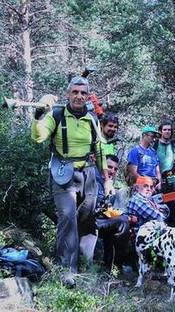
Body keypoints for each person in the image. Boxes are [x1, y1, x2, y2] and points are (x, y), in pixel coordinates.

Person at [31, 76, 109, 287]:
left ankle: (85, 263)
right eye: (75, 92)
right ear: (68, 94)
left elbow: (100, 148)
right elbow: (38, 136)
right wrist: (39, 114)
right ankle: (67, 270)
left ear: (87, 96)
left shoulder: (91, 118)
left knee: (86, 218)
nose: (79, 96)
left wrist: (107, 179)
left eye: (83, 93)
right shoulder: (55, 115)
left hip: (89, 174)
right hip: (63, 173)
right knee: (67, 217)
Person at [95, 155, 132, 272]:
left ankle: (110, 267)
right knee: (123, 222)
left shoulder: (109, 183)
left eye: (115, 169)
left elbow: (108, 208)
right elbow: (101, 208)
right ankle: (116, 265)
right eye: (109, 167)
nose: (112, 171)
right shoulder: (95, 180)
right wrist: (123, 216)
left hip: (101, 218)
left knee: (122, 221)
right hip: (89, 219)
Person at [155, 120, 175, 227]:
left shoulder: (174, 144)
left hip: (172, 179)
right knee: (158, 209)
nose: (167, 132)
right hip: (158, 180)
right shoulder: (155, 144)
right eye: (165, 129)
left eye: (169, 130)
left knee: (172, 209)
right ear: (160, 131)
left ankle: (171, 232)